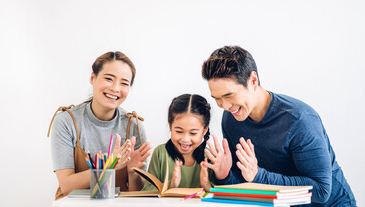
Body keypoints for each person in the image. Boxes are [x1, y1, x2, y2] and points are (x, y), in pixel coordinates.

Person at [201, 46, 356, 206]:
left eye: (229, 95)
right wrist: (225, 175)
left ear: (253, 81)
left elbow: (321, 191)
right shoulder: (231, 119)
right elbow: (245, 185)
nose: (224, 106)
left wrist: (258, 176)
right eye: (217, 98)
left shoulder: (299, 120)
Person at [48, 51, 151, 199]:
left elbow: (137, 194)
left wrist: (133, 172)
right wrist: (109, 166)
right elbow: (66, 186)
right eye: (109, 79)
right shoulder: (67, 121)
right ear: (92, 78)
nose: (115, 88)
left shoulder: (133, 126)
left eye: (124, 83)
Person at [142, 94, 213, 192]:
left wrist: (206, 185)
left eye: (193, 133)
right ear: (170, 126)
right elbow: (146, 191)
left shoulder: (209, 157)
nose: (185, 139)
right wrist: (171, 186)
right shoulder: (161, 153)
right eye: (179, 131)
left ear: (205, 130)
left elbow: (220, 196)